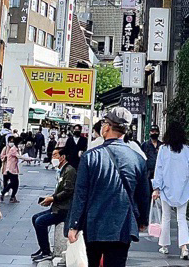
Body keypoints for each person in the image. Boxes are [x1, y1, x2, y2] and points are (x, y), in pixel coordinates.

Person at [67, 107, 151, 267]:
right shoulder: (138, 159)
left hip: (94, 224)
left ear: (107, 127)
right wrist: (142, 220)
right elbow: (143, 195)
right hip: (123, 225)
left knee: (92, 263)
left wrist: (74, 225)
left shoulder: (90, 157)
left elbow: (80, 194)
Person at [152, 120, 189, 260]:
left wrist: (156, 188)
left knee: (165, 217)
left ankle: (164, 245)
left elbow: (158, 169)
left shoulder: (163, 149)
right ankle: (184, 247)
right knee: (181, 218)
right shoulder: (187, 150)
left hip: (166, 188)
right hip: (183, 188)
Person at [31, 147, 77, 262]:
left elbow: (68, 191)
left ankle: (46, 252)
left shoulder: (69, 171)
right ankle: (43, 247)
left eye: (55, 155)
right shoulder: (61, 171)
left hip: (63, 209)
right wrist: (50, 199)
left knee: (40, 221)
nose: (53, 158)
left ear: (63, 157)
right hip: (57, 206)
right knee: (35, 217)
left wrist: (53, 198)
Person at [0, 135, 22, 202]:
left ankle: (12, 196)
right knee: (9, 182)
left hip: (14, 168)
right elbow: (1, 156)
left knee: (15, 183)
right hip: (7, 168)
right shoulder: (5, 148)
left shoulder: (15, 148)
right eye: (10, 141)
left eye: (12, 141)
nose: (11, 143)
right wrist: (6, 157)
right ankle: (4, 193)